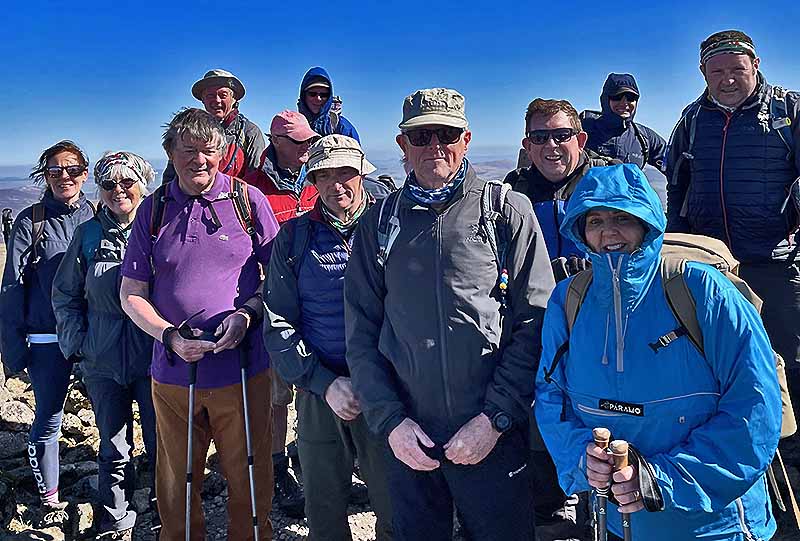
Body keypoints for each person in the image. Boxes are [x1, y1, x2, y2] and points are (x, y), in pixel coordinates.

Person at [344, 87, 554, 540]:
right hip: (409, 435)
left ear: (466, 139)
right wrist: (390, 422)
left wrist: (496, 418)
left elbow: (535, 321)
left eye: (447, 134)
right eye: (422, 136)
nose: (435, 145)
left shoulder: (506, 212)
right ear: (403, 144)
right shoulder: (378, 223)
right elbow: (361, 333)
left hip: (492, 433)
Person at [535, 163, 782, 541]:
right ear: (580, 231)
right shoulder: (569, 299)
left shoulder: (701, 289)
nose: (608, 232)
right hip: (619, 522)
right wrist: (581, 459)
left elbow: (755, 407)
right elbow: (551, 396)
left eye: (622, 217)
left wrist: (659, 479)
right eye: (595, 220)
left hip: (716, 526)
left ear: (647, 223)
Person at [119, 108, 280, 541]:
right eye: (188, 149)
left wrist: (247, 314)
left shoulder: (248, 202)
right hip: (173, 374)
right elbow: (131, 293)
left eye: (209, 149)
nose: (200, 159)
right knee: (176, 480)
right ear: (170, 153)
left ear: (223, 152)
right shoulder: (153, 210)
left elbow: (280, 280)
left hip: (242, 370)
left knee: (250, 475)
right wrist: (169, 336)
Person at [665, 30, 800, 463]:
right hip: (710, 266)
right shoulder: (692, 119)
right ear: (702, 72)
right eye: (716, 70)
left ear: (755, 66)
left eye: (737, 69)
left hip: (772, 262)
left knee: (787, 356)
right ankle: (735, 447)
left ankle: (789, 449)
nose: (727, 79)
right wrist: (675, 247)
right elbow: (677, 186)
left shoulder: (788, 110)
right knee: (720, 358)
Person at [264, 134, 393, 540]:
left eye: (346, 173)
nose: (337, 184)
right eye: (324, 175)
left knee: (394, 502)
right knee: (323, 505)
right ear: (312, 181)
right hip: (321, 389)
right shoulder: (294, 238)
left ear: (362, 174)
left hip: (389, 390)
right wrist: (323, 383)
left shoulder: (392, 228)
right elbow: (278, 320)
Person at [52, 151, 158, 541]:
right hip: (102, 359)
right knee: (113, 445)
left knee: (162, 440)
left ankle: (166, 507)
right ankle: (115, 516)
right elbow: (65, 294)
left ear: (142, 186)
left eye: (127, 182)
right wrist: (78, 346)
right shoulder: (88, 235)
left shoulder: (158, 230)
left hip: (153, 357)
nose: (118, 191)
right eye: (109, 184)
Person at [0, 140, 95, 528]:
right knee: (49, 418)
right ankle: (49, 499)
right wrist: (13, 351)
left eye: (71, 169)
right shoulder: (31, 221)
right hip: (46, 338)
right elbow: (11, 287)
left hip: (93, 336)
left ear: (85, 174)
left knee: (110, 414)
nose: (63, 177)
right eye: (55, 171)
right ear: (46, 176)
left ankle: (114, 487)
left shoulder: (97, 214)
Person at [245, 109, 321, 518]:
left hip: (318, 303)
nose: (308, 147)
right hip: (276, 304)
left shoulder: (316, 180)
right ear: (276, 142)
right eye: (300, 142)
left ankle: (317, 460)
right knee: (277, 395)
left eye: (311, 140)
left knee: (316, 387)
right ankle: (277, 468)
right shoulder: (250, 189)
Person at [505, 98, 619, 263]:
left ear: (580, 141)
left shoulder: (611, 178)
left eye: (562, 135)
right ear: (528, 146)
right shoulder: (515, 187)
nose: (551, 144)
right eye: (539, 137)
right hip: (536, 280)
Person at [162, 69, 266, 184]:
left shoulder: (249, 132)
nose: (217, 100)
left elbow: (256, 177)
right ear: (203, 100)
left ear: (234, 99)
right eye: (210, 95)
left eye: (223, 95)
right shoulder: (188, 130)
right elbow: (171, 174)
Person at [580, 73, 667, 170]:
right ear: (605, 100)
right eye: (617, 96)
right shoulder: (583, 128)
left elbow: (673, 163)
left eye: (630, 97)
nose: (624, 103)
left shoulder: (644, 137)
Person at [298, 67, 360, 141]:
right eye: (312, 94)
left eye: (323, 95)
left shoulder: (343, 128)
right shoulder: (293, 126)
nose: (318, 98)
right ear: (304, 95)